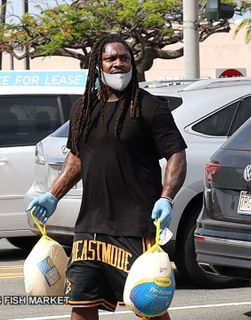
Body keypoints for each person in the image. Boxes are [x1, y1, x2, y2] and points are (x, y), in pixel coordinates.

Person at [26, 33, 187, 320]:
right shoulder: (84, 109)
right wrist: (53, 194)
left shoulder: (150, 107)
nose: (118, 64)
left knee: (149, 308)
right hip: (90, 227)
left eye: (124, 58)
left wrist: (167, 198)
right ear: (98, 65)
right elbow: (76, 159)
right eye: (110, 58)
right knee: (82, 306)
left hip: (136, 227)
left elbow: (176, 155)